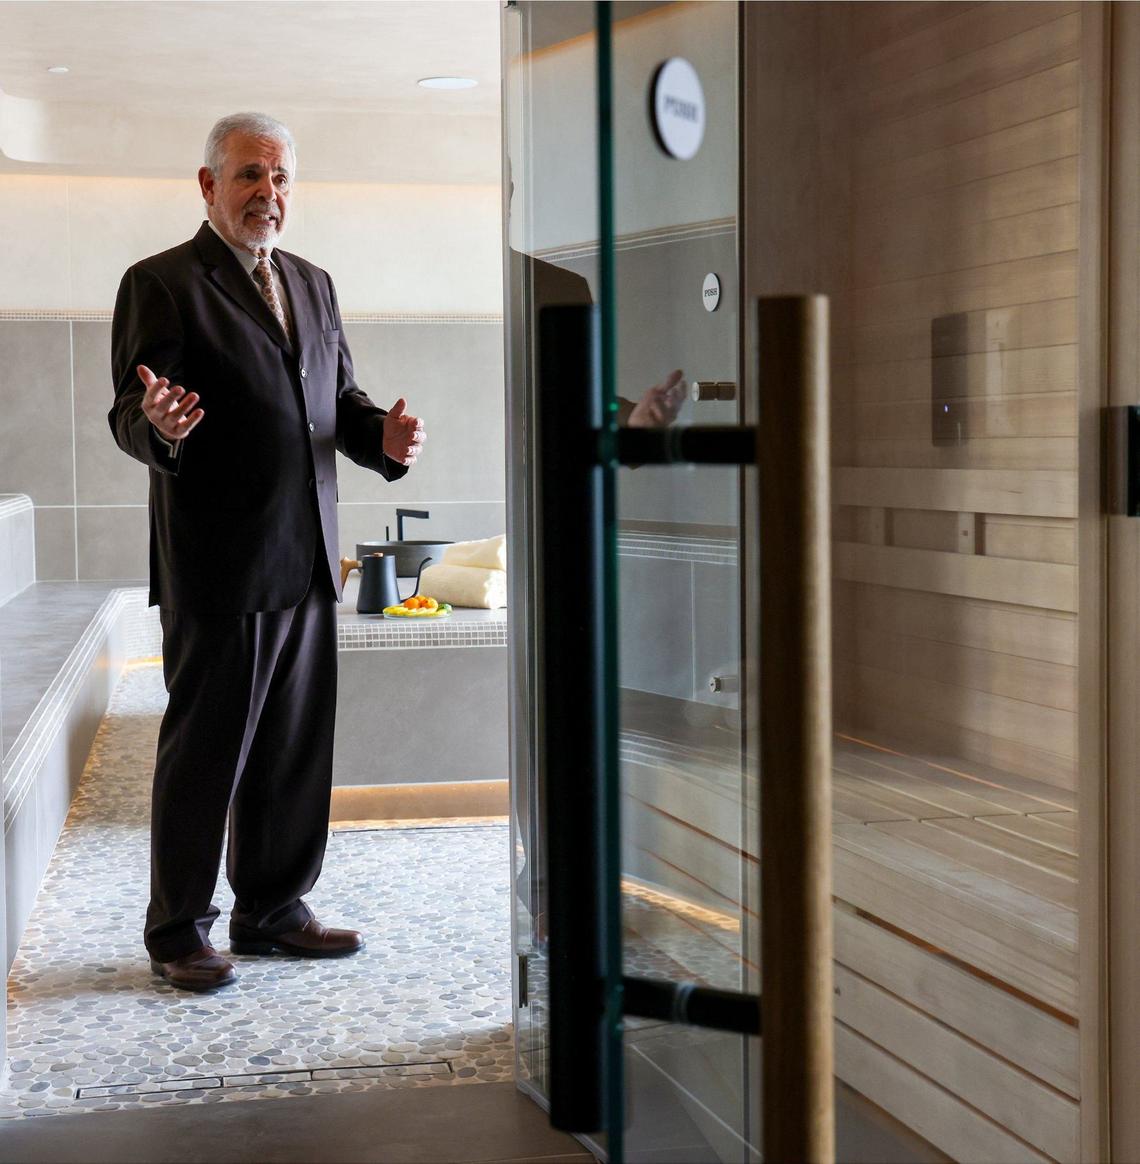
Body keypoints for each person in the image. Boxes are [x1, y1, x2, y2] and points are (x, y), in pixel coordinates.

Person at [108, 112, 424, 992]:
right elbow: (130, 413)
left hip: (310, 559)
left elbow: (339, 401)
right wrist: (159, 426)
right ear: (208, 185)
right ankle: (178, 928)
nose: (268, 194)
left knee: (292, 748)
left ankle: (273, 911)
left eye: (280, 178)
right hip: (220, 564)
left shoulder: (314, 284)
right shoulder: (162, 283)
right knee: (207, 753)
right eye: (249, 176)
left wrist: (384, 441)